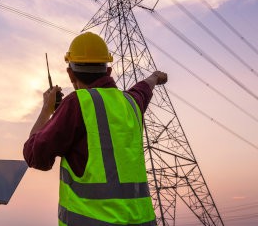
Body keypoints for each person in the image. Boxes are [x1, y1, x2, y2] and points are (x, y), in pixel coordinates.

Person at [23, 32, 167, 226]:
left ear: (70, 73)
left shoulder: (76, 104)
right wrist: (155, 77)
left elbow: (35, 154)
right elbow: (144, 88)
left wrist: (46, 109)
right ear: (108, 71)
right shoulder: (131, 103)